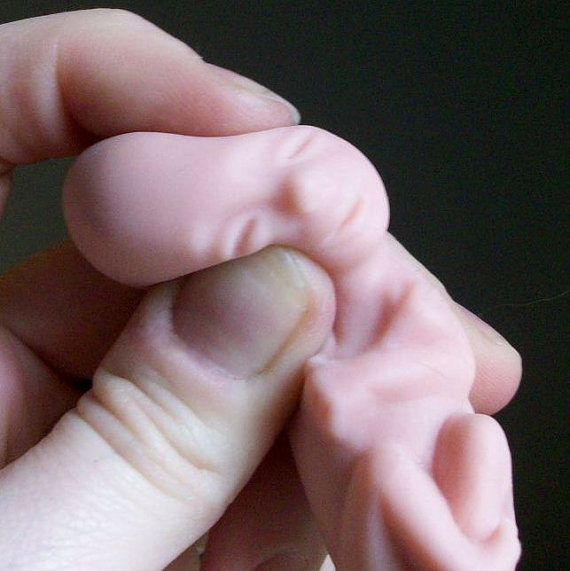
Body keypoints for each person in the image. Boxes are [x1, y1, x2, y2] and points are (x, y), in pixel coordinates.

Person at [0, 9, 523, 570]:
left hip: (399, 404)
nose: (294, 198)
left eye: (285, 165)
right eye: (242, 226)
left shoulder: (327, 203)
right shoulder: (304, 268)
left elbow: (344, 195)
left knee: (418, 486)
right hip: (373, 421)